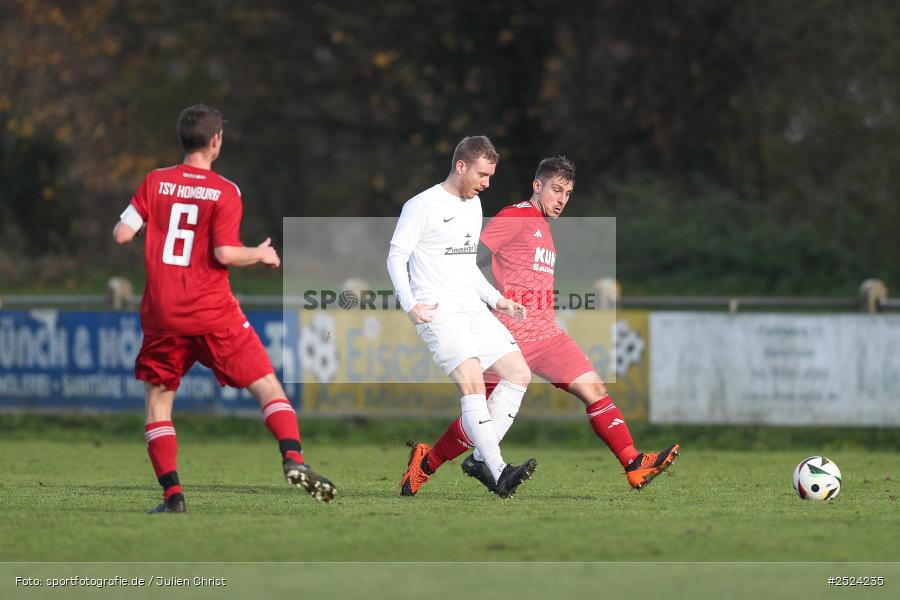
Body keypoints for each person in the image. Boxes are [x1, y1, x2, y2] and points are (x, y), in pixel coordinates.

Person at [113, 104, 336, 513]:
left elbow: (123, 234)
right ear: (216, 141)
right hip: (213, 312)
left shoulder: (155, 181)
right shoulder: (225, 190)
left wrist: (142, 224)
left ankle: (173, 496)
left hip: (163, 314)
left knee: (159, 403)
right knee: (267, 386)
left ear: (184, 139)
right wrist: (261, 254)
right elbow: (224, 252)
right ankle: (293, 459)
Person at [414, 156, 680, 492]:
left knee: (595, 390)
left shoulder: (543, 226)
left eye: (568, 193)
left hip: (548, 335)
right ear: (537, 185)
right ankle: (426, 464)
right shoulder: (515, 216)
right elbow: (470, 258)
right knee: (480, 424)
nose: (562, 199)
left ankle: (633, 463)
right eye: (556, 190)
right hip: (508, 338)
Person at [387, 136, 537, 499]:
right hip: (437, 309)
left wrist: (497, 300)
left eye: (489, 176)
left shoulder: (474, 205)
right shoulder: (421, 205)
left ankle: (482, 460)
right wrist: (410, 305)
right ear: (461, 166)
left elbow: (468, 266)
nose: (487, 183)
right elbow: (395, 257)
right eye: (482, 175)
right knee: (472, 384)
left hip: (471, 306)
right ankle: (499, 470)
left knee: (519, 373)